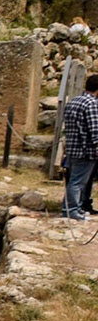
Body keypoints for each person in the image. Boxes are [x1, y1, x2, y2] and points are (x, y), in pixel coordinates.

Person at [62, 71, 98, 221]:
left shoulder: (74, 101)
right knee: (77, 183)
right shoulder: (91, 104)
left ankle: (72, 208)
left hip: (72, 149)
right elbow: (95, 130)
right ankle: (71, 211)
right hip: (85, 151)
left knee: (73, 181)